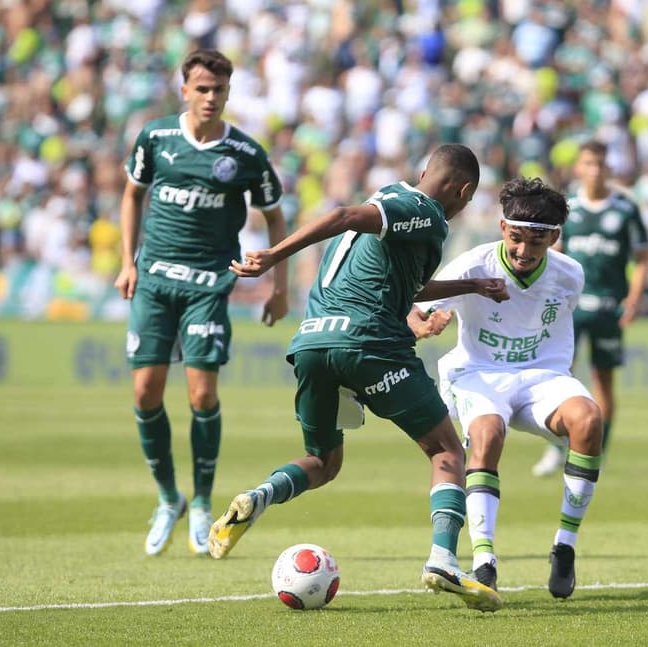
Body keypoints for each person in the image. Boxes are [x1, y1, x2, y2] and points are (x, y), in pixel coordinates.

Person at [209, 144, 507, 613]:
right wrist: (272, 257)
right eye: (467, 199)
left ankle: (257, 498)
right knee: (446, 450)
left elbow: (404, 286)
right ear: (462, 189)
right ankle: (444, 560)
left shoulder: (396, 209)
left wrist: (469, 287)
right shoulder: (422, 211)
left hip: (312, 344)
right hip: (367, 343)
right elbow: (345, 215)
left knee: (323, 461)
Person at [114, 49, 289, 557]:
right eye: (202, 88)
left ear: (228, 93)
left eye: (219, 90)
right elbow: (132, 196)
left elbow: (275, 218)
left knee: (202, 396)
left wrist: (279, 286)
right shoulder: (156, 138)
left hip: (208, 283)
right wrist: (127, 262)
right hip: (153, 278)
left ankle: (204, 502)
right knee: (146, 390)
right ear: (184, 90)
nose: (211, 97)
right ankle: (169, 499)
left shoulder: (247, 154)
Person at [410, 176, 603, 598]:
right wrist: (424, 324)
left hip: (543, 377)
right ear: (503, 229)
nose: (523, 251)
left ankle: (564, 546)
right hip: (478, 373)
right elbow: (417, 307)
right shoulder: (472, 266)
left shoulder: (570, 274)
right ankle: (485, 561)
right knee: (488, 432)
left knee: (589, 421)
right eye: (516, 238)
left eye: (536, 242)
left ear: (554, 237)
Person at [531, 140, 648, 477]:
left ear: (607, 167)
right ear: (579, 168)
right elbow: (553, 258)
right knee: (556, 375)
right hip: (570, 309)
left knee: (604, 381)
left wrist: (635, 298)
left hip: (611, 307)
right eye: (588, 163)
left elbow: (643, 259)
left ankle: (596, 452)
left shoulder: (625, 211)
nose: (595, 170)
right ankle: (555, 446)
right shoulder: (568, 210)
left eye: (600, 163)